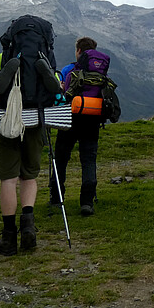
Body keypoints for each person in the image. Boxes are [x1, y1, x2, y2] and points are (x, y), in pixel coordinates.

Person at [0, 55, 45, 256]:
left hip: (7, 122)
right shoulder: (43, 57)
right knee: (29, 175)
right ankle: (28, 228)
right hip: (35, 121)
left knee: (9, 178)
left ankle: (9, 237)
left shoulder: (2, 58)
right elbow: (56, 85)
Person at [50, 37, 107, 216]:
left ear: (79, 51)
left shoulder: (69, 69)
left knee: (61, 159)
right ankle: (87, 202)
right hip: (92, 121)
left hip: (69, 119)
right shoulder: (101, 74)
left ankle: (57, 198)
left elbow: (64, 94)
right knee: (89, 160)